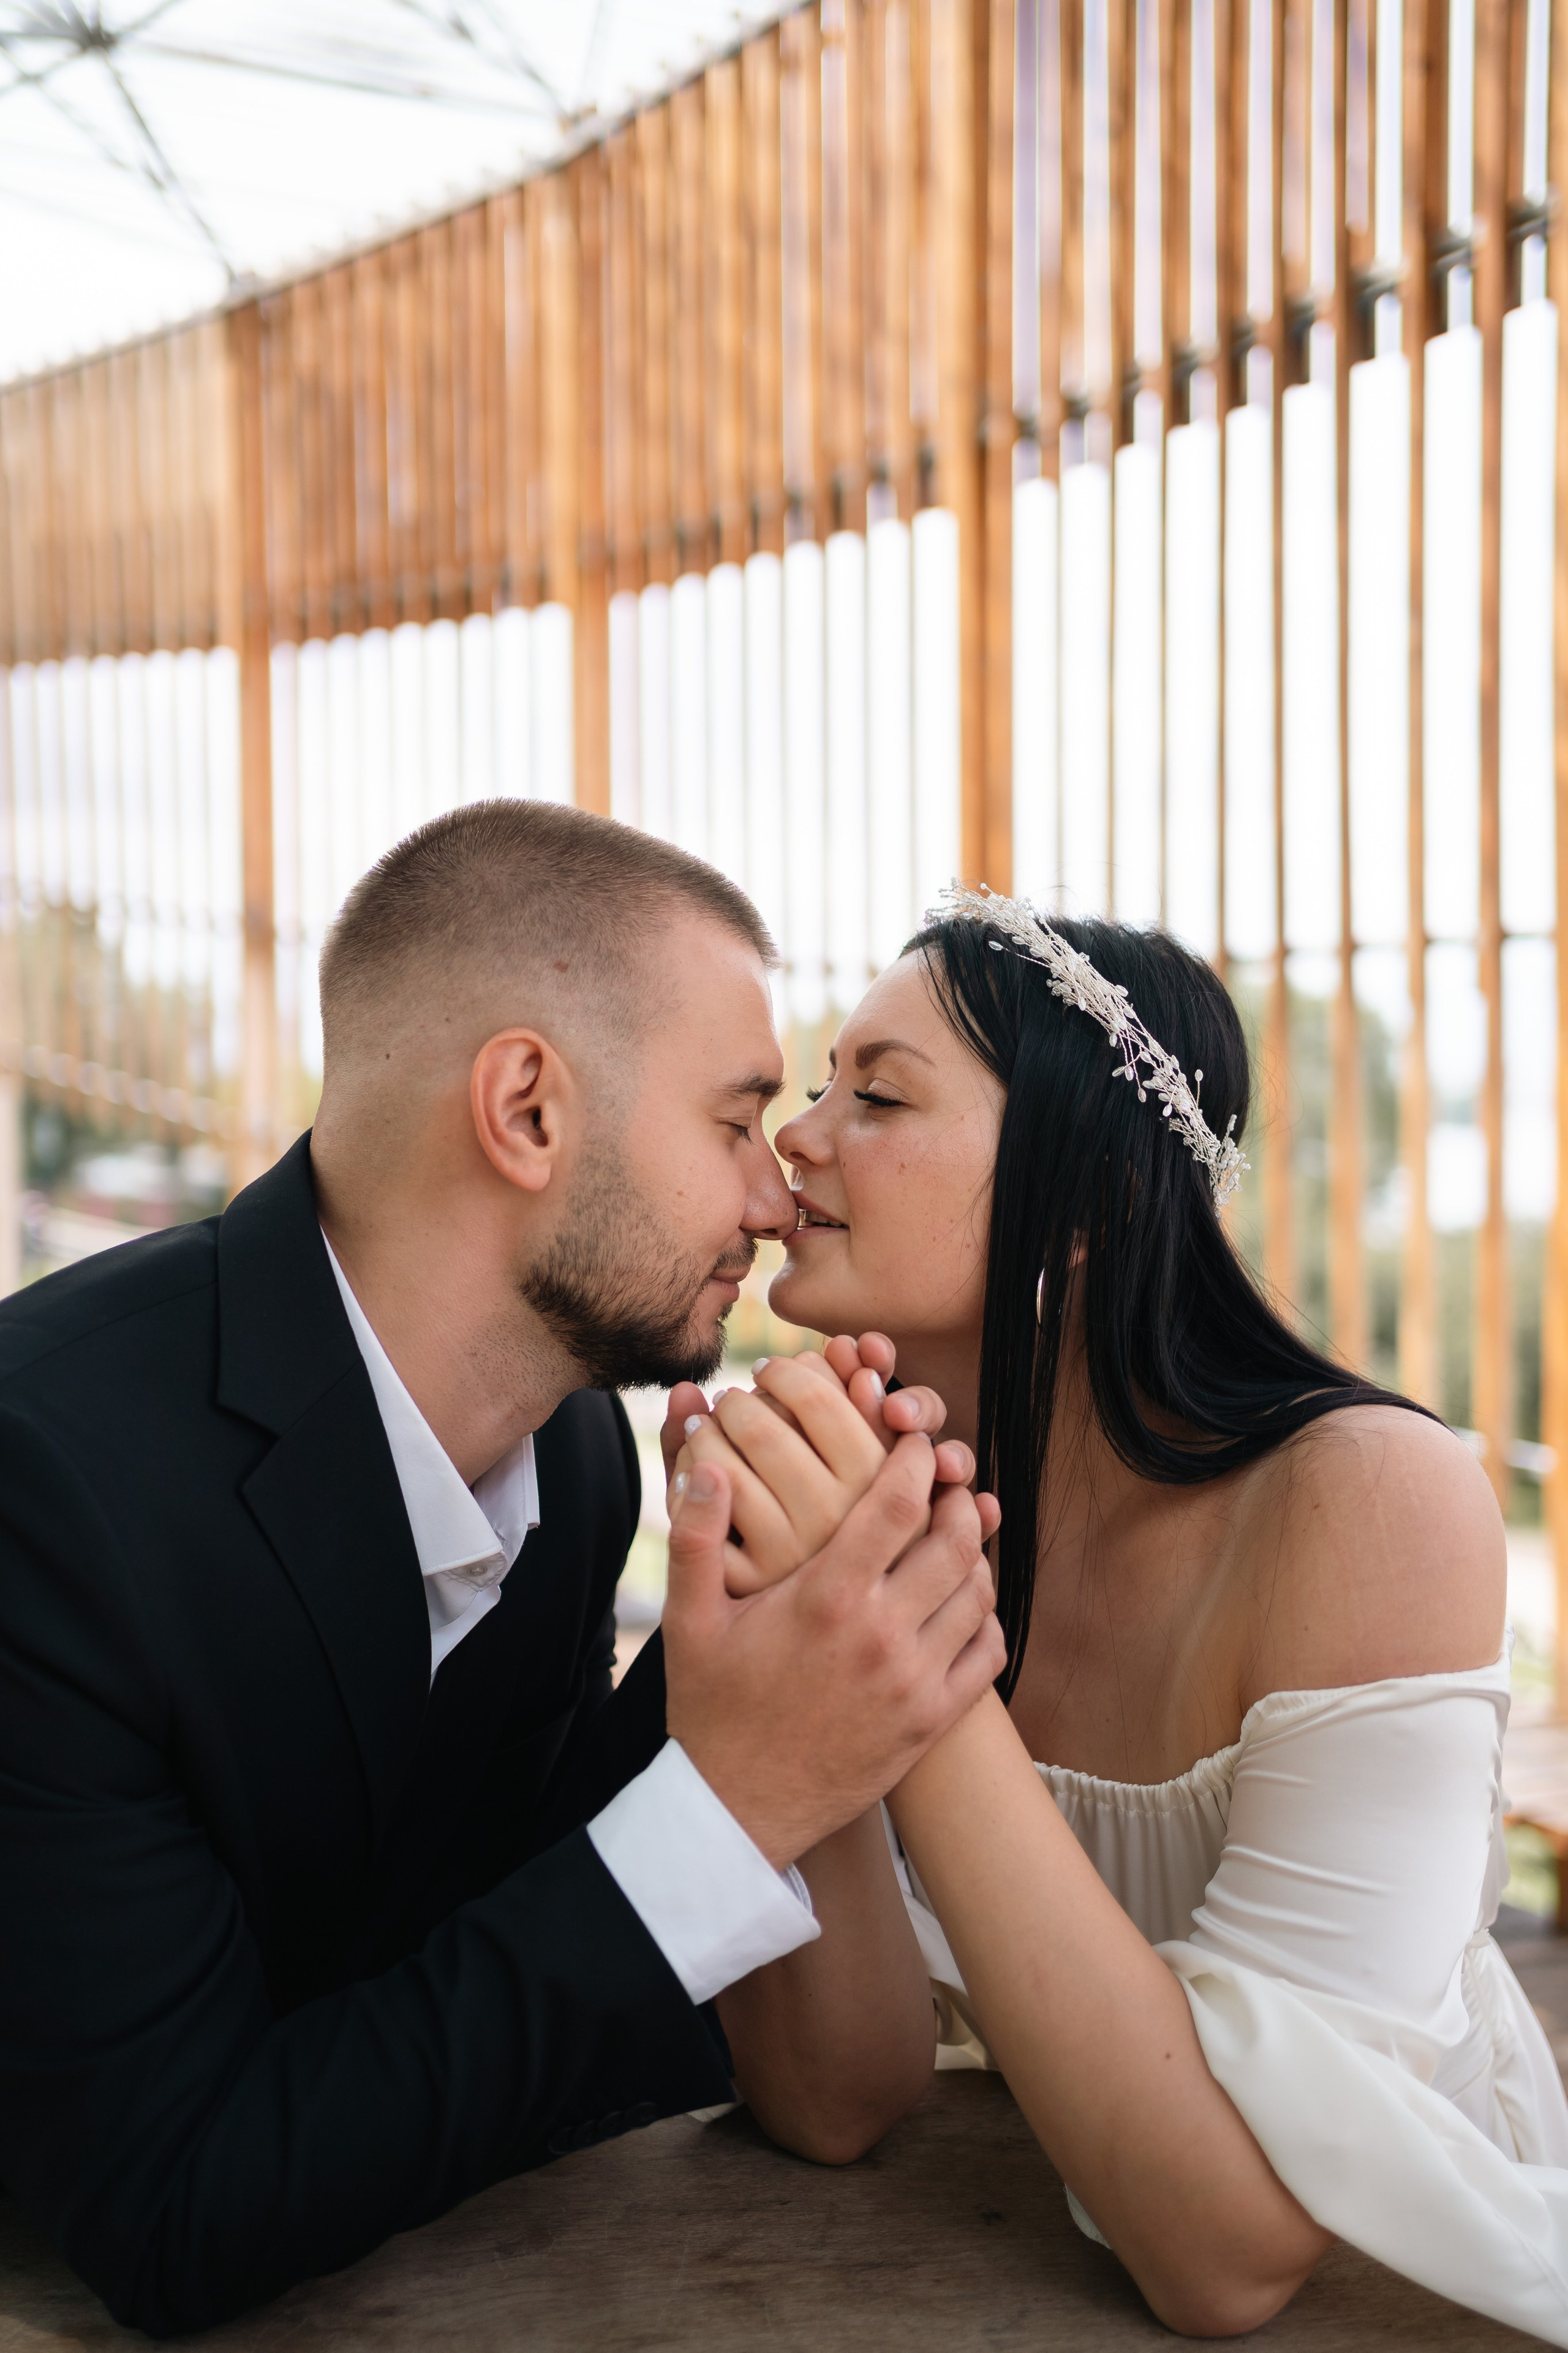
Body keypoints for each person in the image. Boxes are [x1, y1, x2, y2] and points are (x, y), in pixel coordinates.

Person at [0, 803, 1004, 2336]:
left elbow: (477, 1925)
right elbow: (169, 2208)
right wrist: (728, 1801)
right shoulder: (49, 1482)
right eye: (735, 1121)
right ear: (527, 1107)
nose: (770, 1193)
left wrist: (757, 1649)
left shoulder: (587, 1464)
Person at [671, 887, 1568, 2348]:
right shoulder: (880, 1487)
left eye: (877, 1093)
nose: (799, 1132)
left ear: (1088, 1203)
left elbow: (1229, 2256)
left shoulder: (1361, 1503)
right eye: (821, 1082)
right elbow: (836, 2100)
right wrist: (790, 1623)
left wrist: (907, 1657)